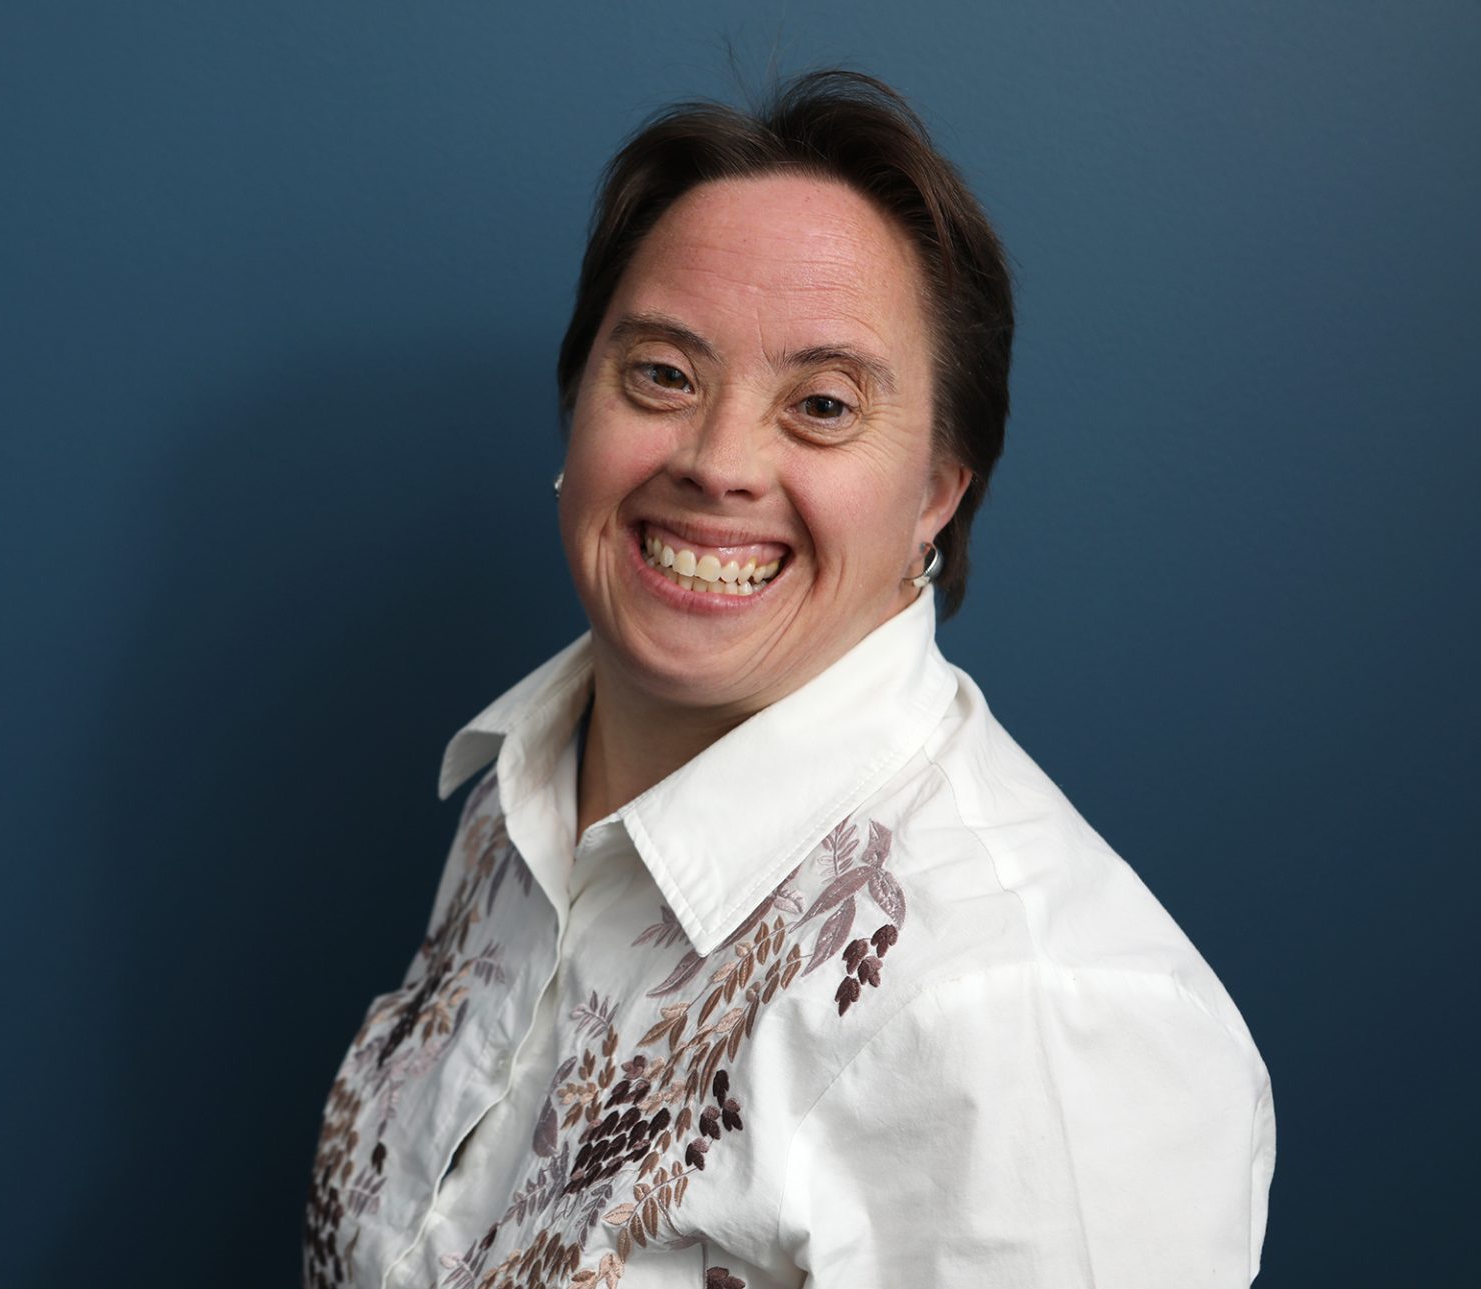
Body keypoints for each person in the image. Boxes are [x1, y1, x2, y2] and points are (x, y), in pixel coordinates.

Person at [304, 69, 1274, 1289]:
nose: (717, 462)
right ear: (577, 409)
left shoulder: (1032, 1014)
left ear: (936, 492)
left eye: (821, 404)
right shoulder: (523, 794)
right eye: (662, 373)